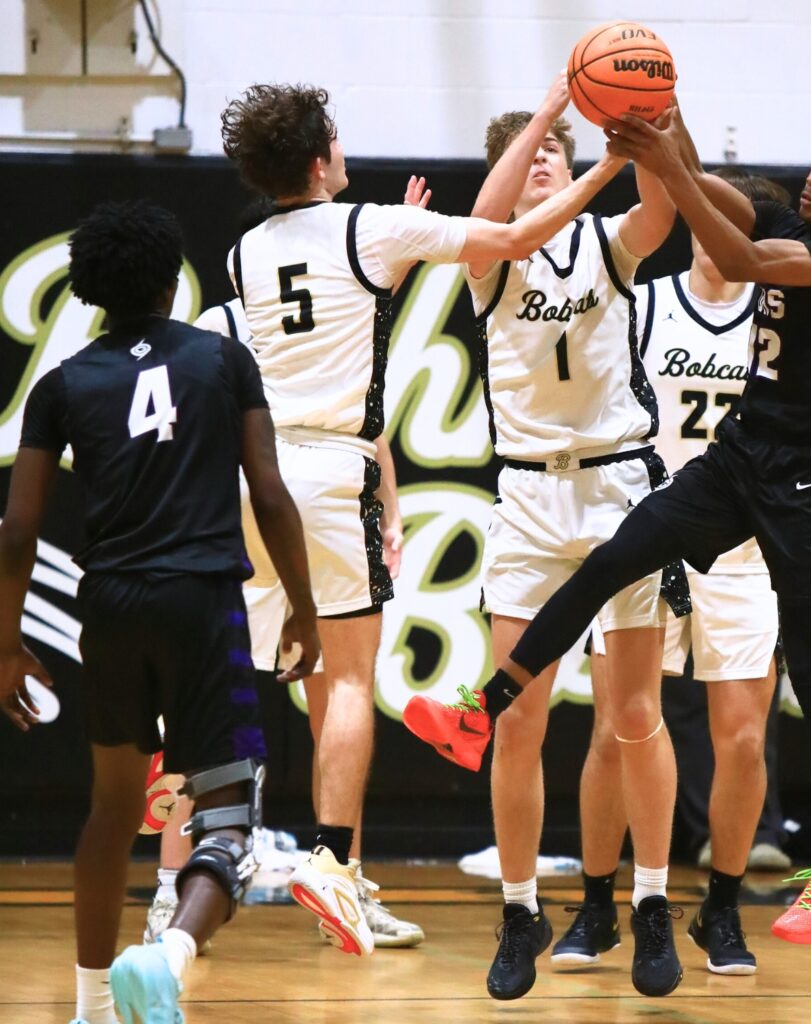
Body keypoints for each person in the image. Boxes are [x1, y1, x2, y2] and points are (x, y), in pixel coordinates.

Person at [406, 102, 811, 948]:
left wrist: (653, 161)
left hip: (810, 478)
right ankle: (482, 709)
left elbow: (740, 254)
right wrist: (660, 134)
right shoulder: (780, 219)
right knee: (609, 560)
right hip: (739, 457)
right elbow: (704, 192)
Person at [218, 81, 628, 956]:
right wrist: (609, 165)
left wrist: (396, 255)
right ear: (322, 155)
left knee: (289, 676)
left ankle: (256, 867)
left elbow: (332, 309)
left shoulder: (244, 252)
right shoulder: (369, 224)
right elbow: (514, 236)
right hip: (335, 468)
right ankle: (330, 862)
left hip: (257, 475)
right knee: (353, 681)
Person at [0, 199, 320, 1024]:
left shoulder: (63, 384)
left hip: (109, 608)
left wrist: (6, 647)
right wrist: (305, 610)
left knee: (111, 811)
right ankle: (169, 956)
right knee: (228, 820)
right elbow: (272, 495)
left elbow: (17, 533)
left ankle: (89, 1006)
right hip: (204, 605)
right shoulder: (222, 359)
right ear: (172, 281)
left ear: (92, 292)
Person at [404, 72, 687, 1000]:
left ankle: (650, 903)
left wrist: (649, 126)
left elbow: (659, 205)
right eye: (530, 160)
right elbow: (491, 208)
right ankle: (519, 911)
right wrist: (548, 116)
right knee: (516, 719)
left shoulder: (610, 244)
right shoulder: (493, 259)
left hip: (617, 485)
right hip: (528, 501)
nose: (541, 168)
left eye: (552, 156)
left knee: (635, 717)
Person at [140, 253, 426, 950]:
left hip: (312, 503)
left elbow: (369, 423)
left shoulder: (330, 318)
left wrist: (389, 506)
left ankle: (340, 887)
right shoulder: (219, 325)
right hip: (238, 517)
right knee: (199, 702)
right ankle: (171, 890)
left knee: (340, 693)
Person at [561, 169, 792, 976]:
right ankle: (598, 906)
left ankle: (721, 910)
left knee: (744, 738)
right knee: (614, 731)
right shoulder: (646, 302)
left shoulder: (779, 319)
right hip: (651, 533)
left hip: (742, 550)